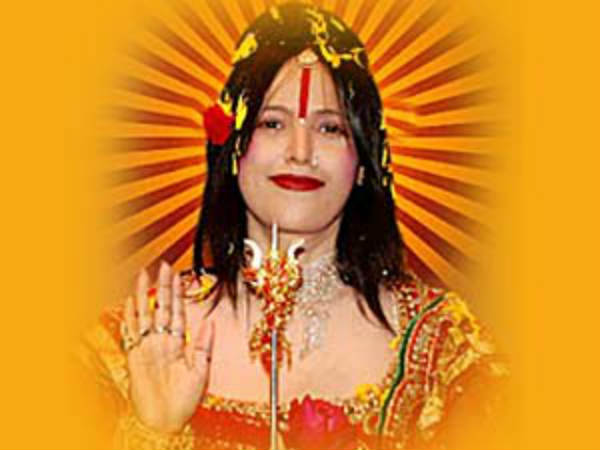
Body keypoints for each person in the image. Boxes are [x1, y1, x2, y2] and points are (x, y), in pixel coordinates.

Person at [78, 3, 508, 449]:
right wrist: (152, 431)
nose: (300, 151)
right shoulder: (132, 344)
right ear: (233, 149)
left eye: (330, 128)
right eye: (272, 123)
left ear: (364, 161)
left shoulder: (446, 353)